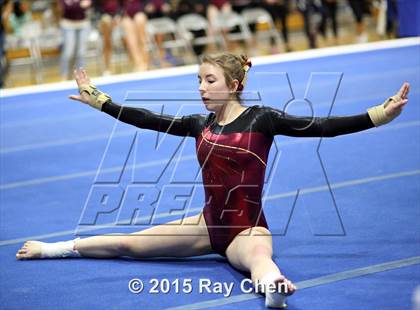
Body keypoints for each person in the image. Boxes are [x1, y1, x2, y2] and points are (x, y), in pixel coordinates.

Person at [16, 53, 410, 308]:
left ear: (234, 85)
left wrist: (377, 115)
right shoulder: (197, 125)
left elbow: (323, 126)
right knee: (128, 243)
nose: (201, 88)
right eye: (199, 81)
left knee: (260, 262)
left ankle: (275, 290)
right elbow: (147, 118)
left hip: (247, 229)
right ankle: (55, 249)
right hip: (208, 226)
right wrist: (102, 102)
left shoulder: (263, 119)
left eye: (209, 81)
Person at [58, 0, 92, 80]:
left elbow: (88, 5)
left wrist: (74, 5)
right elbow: (67, 9)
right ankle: (64, 75)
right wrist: (80, 5)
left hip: (83, 24)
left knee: (81, 52)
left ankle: (81, 76)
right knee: (68, 52)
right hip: (68, 25)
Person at [120, 0, 149, 71]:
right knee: (131, 41)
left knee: (139, 19)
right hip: (126, 16)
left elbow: (147, 3)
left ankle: (145, 61)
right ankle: (138, 63)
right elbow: (118, 5)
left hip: (139, 13)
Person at [96, 0, 121, 75]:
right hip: (103, 18)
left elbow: (122, 5)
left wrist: (118, 16)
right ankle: (107, 66)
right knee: (106, 22)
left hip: (118, 18)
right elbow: (96, 8)